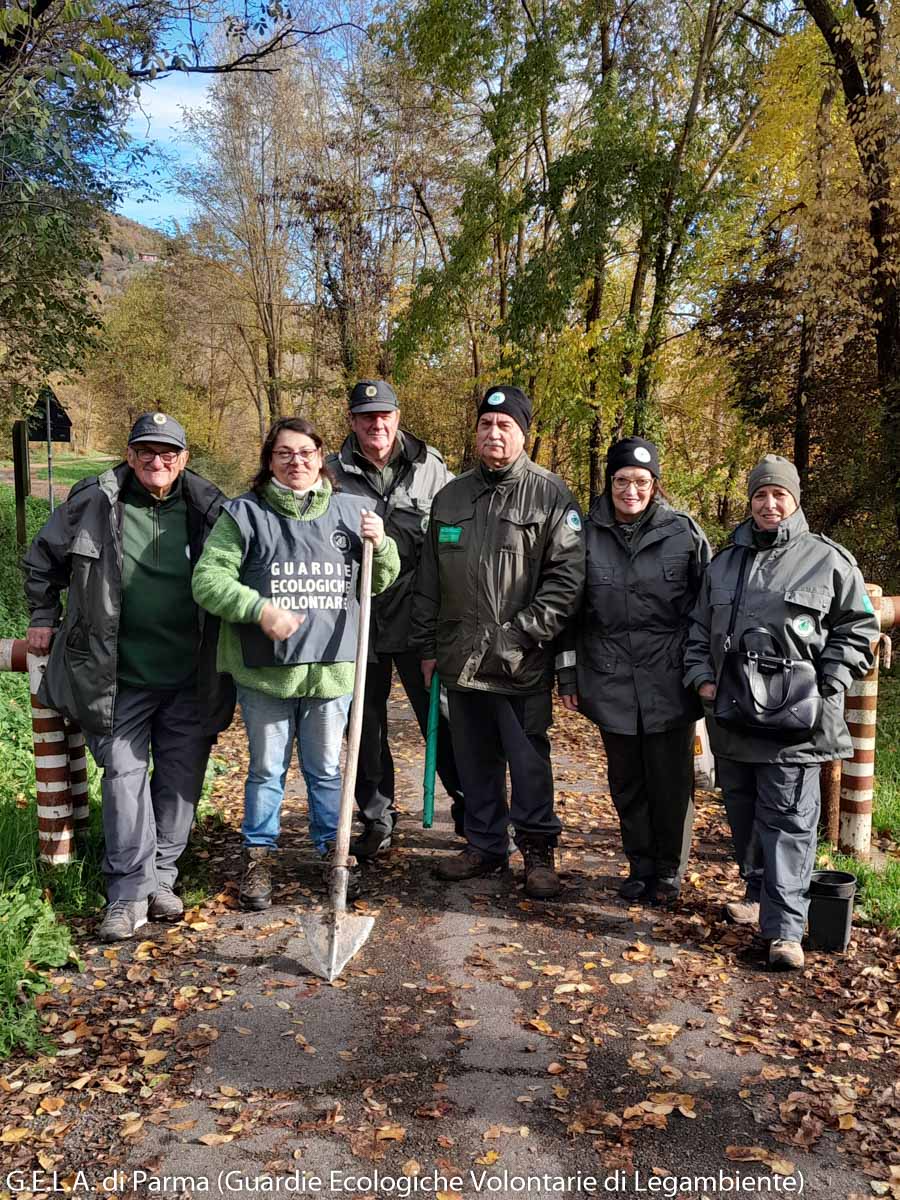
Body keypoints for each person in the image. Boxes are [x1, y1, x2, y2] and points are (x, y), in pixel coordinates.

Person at [23, 413, 235, 942]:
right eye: (146, 451)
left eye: (168, 453)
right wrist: (42, 617)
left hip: (190, 673)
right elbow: (41, 560)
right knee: (122, 776)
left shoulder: (211, 507)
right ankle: (126, 892)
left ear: (184, 458)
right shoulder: (95, 499)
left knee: (181, 780)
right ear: (130, 452)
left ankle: (161, 877)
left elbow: (253, 565)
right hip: (115, 675)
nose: (156, 462)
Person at [191, 417, 400, 911]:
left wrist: (383, 542)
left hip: (330, 672)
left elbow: (378, 581)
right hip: (266, 672)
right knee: (267, 769)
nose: (296, 462)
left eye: (306, 452)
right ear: (269, 460)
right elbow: (207, 581)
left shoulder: (353, 511)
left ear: (321, 457)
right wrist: (259, 609)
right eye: (284, 453)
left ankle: (335, 853)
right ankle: (259, 856)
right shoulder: (243, 515)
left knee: (328, 770)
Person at [684, 454, 877, 970]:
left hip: (796, 727)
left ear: (795, 500)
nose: (770, 504)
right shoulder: (725, 562)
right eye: (761, 495)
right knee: (744, 818)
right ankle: (758, 897)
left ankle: (785, 931)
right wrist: (702, 678)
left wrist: (830, 682)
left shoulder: (827, 559)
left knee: (789, 822)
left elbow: (859, 628)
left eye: (779, 495)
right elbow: (698, 629)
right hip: (734, 718)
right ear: (750, 501)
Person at [410, 385, 585, 899]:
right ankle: (485, 847)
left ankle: (537, 852)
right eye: (486, 424)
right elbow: (429, 581)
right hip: (460, 658)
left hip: (520, 662)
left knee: (529, 761)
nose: (494, 433)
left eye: (504, 425)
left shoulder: (551, 496)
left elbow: (567, 581)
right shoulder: (451, 497)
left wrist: (521, 635)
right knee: (474, 759)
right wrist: (427, 648)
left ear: (522, 433)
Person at [557, 437, 711, 904]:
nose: (631, 490)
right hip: (610, 681)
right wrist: (567, 676)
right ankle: (639, 864)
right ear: (610, 482)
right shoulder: (583, 534)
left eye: (641, 482)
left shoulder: (683, 534)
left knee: (670, 782)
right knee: (627, 782)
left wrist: (703, 673)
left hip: (670, 679)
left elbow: (709, 609)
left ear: (655, 486)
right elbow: (568, 613)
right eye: (622, 480)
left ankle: (669, 871)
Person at [326, 380, 465, 860]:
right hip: (355, 621)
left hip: (418, 619)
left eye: (383, 415)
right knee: (363, 726)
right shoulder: (330, 474)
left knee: (441, 720)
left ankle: (469, 810)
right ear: (352, 421)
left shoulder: (432, 468)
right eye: (366, 416)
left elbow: (454, 546)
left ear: (397, 417)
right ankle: (376, 818)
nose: (376, 424)